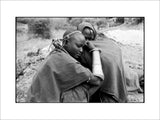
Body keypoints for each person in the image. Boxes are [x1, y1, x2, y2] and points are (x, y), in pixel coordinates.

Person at [26, 28, 104, 102]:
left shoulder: (57, 53)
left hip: (33, 99)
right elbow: (97, 80)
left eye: (83, 47)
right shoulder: (67, 62)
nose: (81, 50)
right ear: (66, 42)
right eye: (78, 46)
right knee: (80, 90)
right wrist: (95, 51)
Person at [77, 22, 128, 102]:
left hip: (107, 83)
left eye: (90, 38)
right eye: (85, 38)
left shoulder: (105, 42)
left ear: (94, 34)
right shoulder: (81, 48)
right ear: (79, 36)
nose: (87, 41)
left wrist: (93, 50)